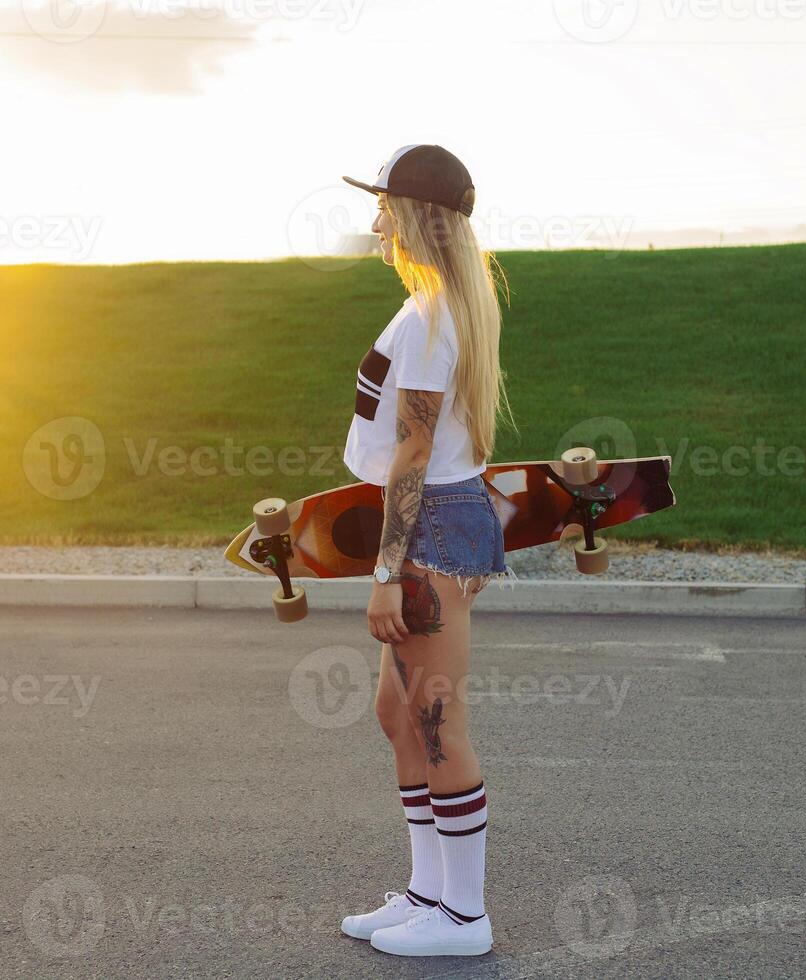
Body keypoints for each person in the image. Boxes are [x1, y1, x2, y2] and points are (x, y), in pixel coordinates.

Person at [335, 144, 517, 957]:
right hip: (436, 520)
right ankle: (427, 894)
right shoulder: (434, 308)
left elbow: (411, 457)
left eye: (385, 205)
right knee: (397, 711)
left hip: (429, 529)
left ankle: (465, 918)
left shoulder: (431, 317)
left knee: (437, 717)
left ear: (414, 215)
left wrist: (385, 572)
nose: (376, 221)